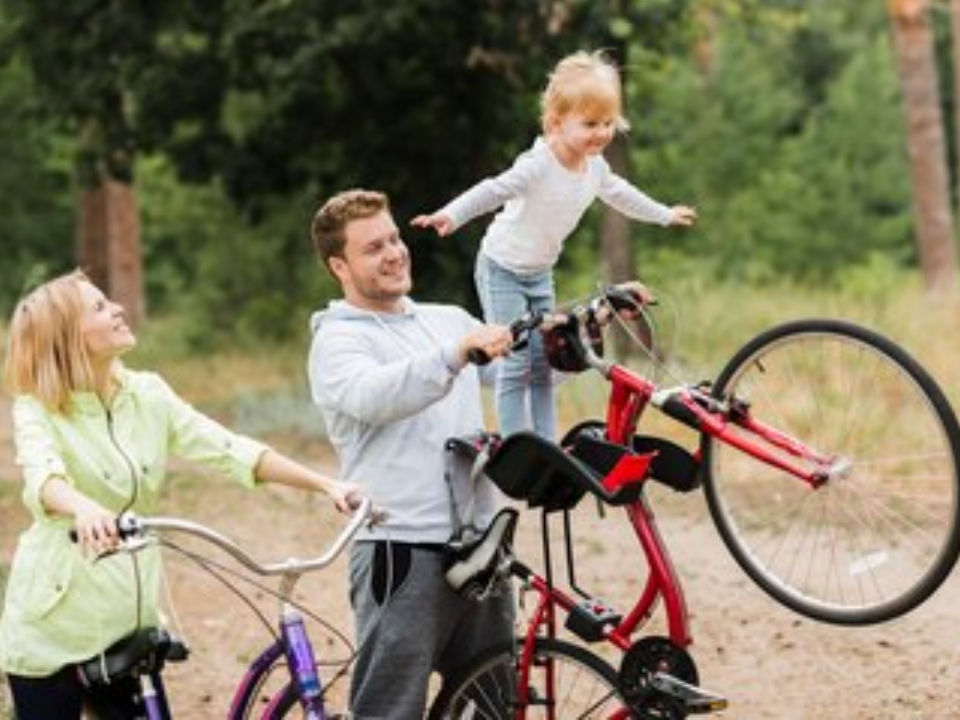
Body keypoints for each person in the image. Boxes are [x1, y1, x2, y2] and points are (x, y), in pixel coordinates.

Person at [0, 269, 361, 720]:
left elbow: (228, 448)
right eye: (98, 306)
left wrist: (326, 483)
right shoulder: (38, 407)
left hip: (127, 624)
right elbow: (43, 477)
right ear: (68, 336)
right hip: (52, 631)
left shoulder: (146, 394)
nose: (117, 309)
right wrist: (84, 508)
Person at [412, 49, 697, 440]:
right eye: (590, 123)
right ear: (557, 123)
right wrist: (452, 214)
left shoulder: (595, 167)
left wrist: (664, 214)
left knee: (543, 362)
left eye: (608, 122)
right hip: (501, 269)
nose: (601, 132)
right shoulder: (538, 164)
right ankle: (516, 445)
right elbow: (494, 190)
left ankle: (546, 446)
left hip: (539, 273)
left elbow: (622, 194)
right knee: (515, 361)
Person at [308, 188, 516, 718]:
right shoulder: (336, 340)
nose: (396, 252)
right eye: (374, 247)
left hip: (479, 545)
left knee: (493, 704)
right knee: (391, 709)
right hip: (400, 548)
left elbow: (516, 369)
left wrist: (578, 330)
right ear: (340, 266)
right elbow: (375, 395)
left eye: (396, 238)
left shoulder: (446, 318)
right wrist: (454, 356)